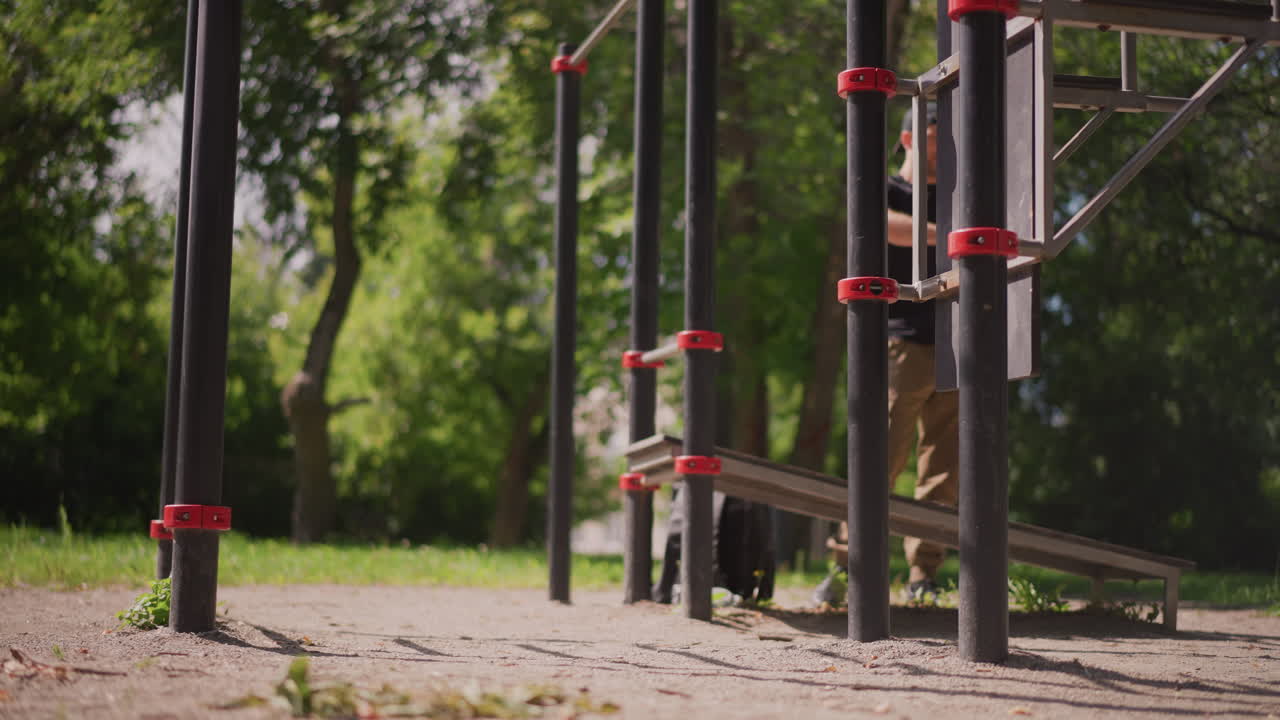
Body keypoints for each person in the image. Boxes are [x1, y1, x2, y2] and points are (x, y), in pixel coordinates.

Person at [815, 103, 957, 605]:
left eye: (946, 139)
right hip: (902, 341)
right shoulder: (887, 190)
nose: (941, 148)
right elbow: (884, 227)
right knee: (880, 455)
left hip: (956, 342)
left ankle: (924, 575)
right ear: (908, 139)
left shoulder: (960, 196)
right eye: (933, 137)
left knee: (944, 466)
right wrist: (952, 239)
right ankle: (847, 570)